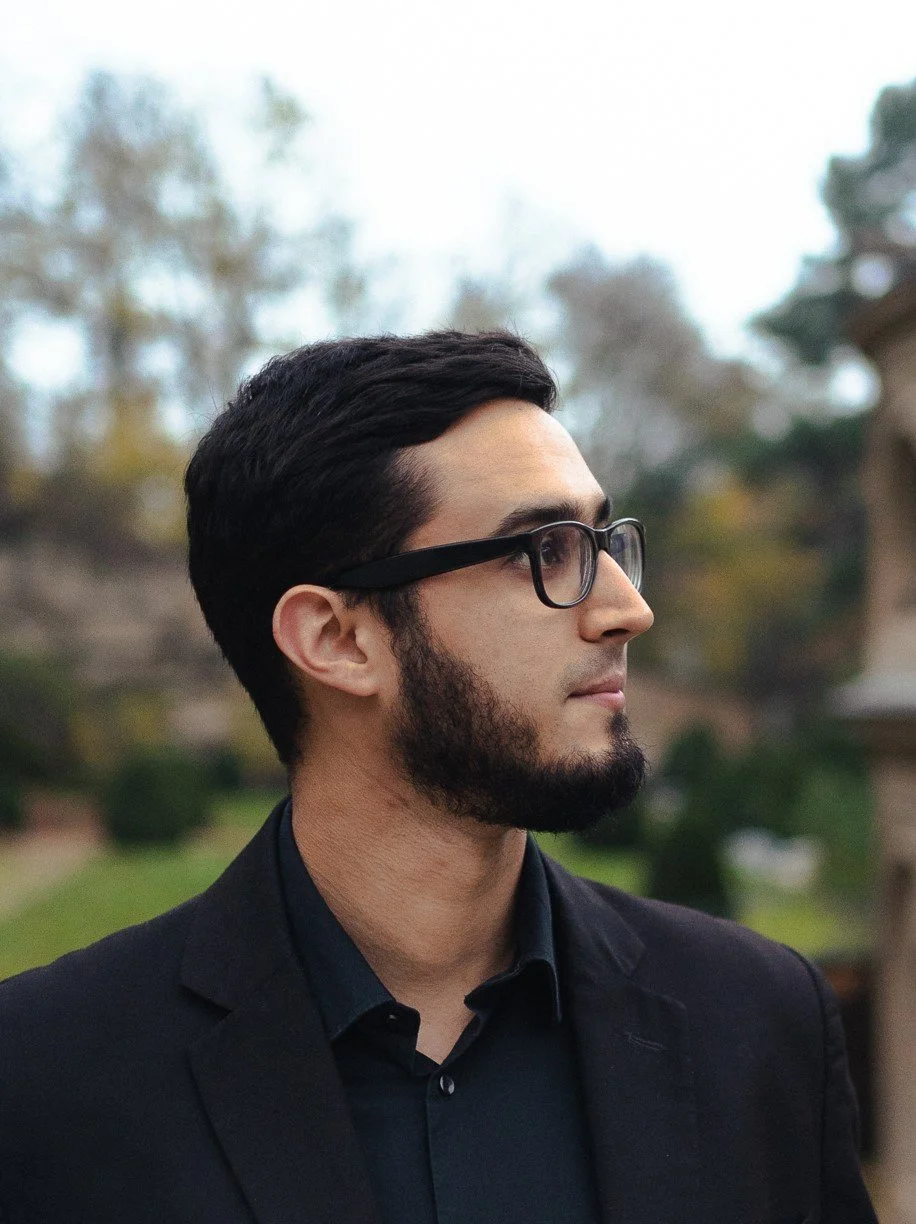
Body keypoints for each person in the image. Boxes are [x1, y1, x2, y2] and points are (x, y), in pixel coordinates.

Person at [0, 332, 876, 1223]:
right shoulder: (42, 1084)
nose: (627, 609)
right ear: (338, 641)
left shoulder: (760, 1025)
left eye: (605, 541)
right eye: (543, 550)